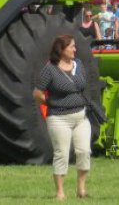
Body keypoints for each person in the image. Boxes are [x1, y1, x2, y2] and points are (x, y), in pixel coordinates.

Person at [33, 35, 91, 200]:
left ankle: (81, 189)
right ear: (62, 49)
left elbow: (82, 85)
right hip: (59, 118)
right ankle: (60, 192)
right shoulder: (49, 69)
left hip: (80, 116)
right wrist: (51, 102)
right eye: (72, 46)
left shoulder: (78, 65)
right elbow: (37, 93)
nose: (75, 49)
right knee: (62, 154)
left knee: (84, 151)